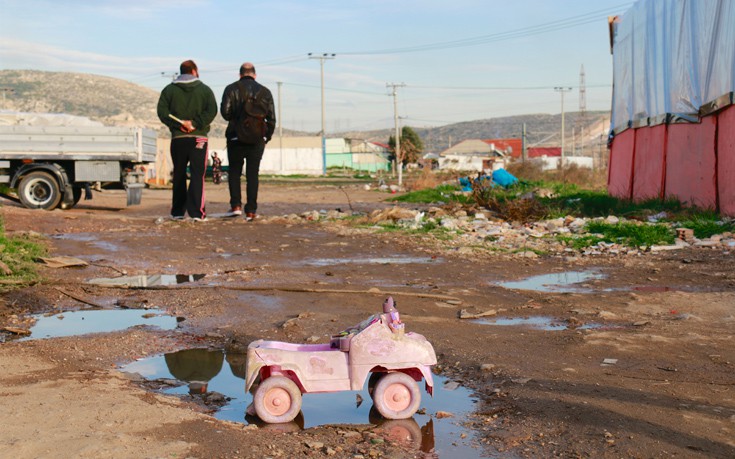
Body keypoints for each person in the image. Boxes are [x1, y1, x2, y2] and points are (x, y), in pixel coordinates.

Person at [157, 59, 217, 221]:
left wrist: (177, 125)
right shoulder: (205, 90)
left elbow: (162, 112)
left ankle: (177, 212)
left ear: (181, 71)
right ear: (194, 71)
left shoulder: (169, 90)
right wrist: (195, 124)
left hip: (178, 139)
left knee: (179, 175)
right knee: (198, 175)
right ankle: (197, 213)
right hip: (199, 138)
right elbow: (212, 111)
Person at [220, 62, 276, 221]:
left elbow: (225, 113)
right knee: (253, 174)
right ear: (255, 75)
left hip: (235, 137)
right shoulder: (265, 92)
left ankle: (236, 206)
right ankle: (251, 211)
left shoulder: (231, 89)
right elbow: (271, 118)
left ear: (240, 74)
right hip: (257, 139)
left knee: (235, 172)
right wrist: (266, 137)